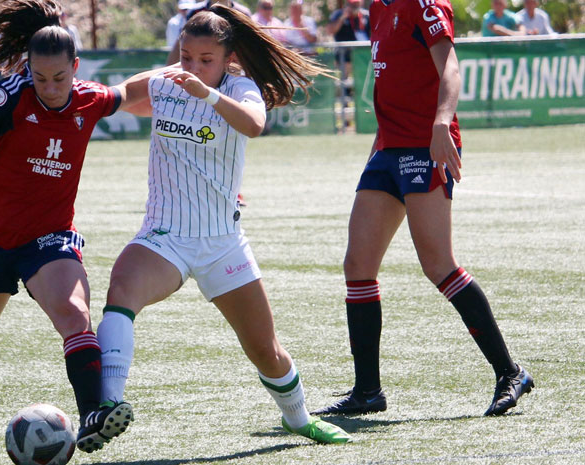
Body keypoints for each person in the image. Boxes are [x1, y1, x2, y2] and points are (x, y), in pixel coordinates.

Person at [93, 4, 351, 449]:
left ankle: (299, 420)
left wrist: (206, 93)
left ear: (227, 59)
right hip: (164, 236)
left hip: (222, 244)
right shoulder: (165, 81)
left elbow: (254, 124)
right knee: (120, 291)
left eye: (204, 60)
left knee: (264, 349)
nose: (191, 66)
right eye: (185, 55)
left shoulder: (240, 87)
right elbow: (109, 97)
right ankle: (107, 406)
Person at [0, 0, 158, 454]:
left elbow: (128, 90)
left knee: (73, 312)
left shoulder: (89, 98)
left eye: (59, 78)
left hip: (49, 239)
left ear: (75, 68)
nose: (49, 87)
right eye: (40, 77)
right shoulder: (14, 95)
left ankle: (93, 415)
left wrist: (177, 74)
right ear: (28, 66)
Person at [311, 0, 534, 418]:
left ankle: (510, 372)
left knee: (439, 266)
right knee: (357, 265)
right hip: (387, 148)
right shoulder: (378, 7)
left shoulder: (424, 4)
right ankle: (368, 392)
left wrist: (441, 123)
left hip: (424, 147)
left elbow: (449, 66)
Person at [166, 0, 251, 64]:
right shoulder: (195, 11)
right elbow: (182, 42)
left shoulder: (242, 13)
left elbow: (247, 47)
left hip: (233, 67)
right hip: (202, 65)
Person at [327, 0, 369, 77]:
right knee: (346, 76)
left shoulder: (365, 15)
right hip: (345, 55)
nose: (355, 6)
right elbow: (330, 30)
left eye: (357, 4)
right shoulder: (338, 14)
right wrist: (343, 17)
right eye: (353, 4)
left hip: (364, 54)